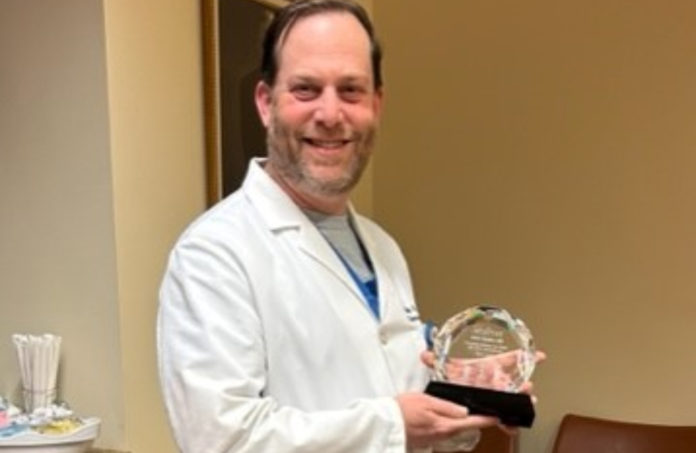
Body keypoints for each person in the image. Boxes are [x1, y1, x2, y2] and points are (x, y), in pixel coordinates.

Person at [158, 1, 536, 451]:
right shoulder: (213, 255)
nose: (330, 114)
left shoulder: (383, 248)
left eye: (351, 91)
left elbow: (406, 413)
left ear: (376, 104)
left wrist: (465, 394)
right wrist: (393, 426)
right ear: (265, 103)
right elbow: (222, 441)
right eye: (306, 89)